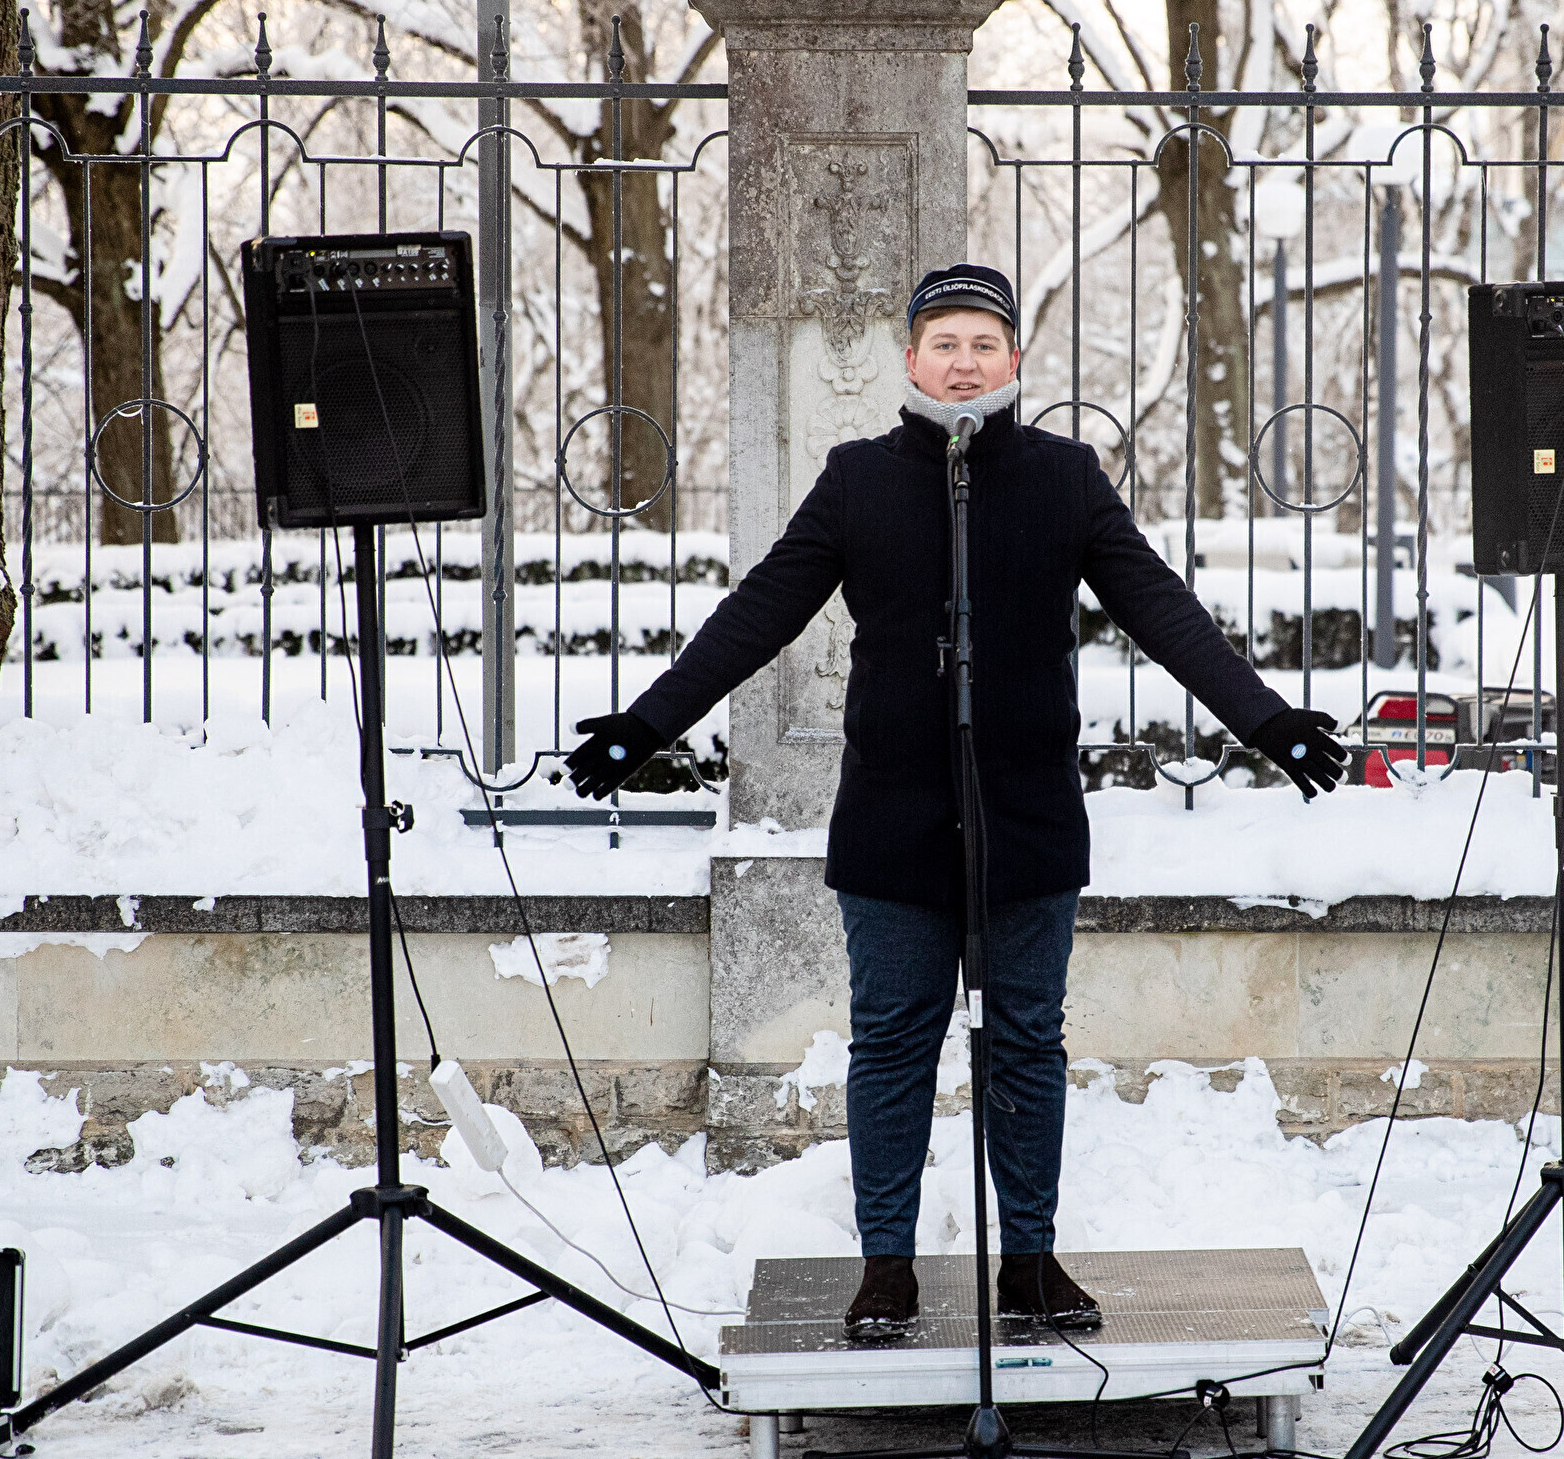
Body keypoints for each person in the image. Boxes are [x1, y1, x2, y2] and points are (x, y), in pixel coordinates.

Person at [564, 264, 1345, 1342]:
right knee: (891, 1044)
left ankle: (1029, 1261)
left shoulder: (1066, 479)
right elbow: (761, 612)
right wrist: (647, 723)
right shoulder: (858, 480)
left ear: (1015, 359)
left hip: (1027, 817)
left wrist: (1265, 718)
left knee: (1026, 1042)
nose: (965, 363)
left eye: (984, 343)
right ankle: (886, 1267)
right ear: (912, 360)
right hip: (894, 822)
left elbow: (1160, 607)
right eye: (945, 343)